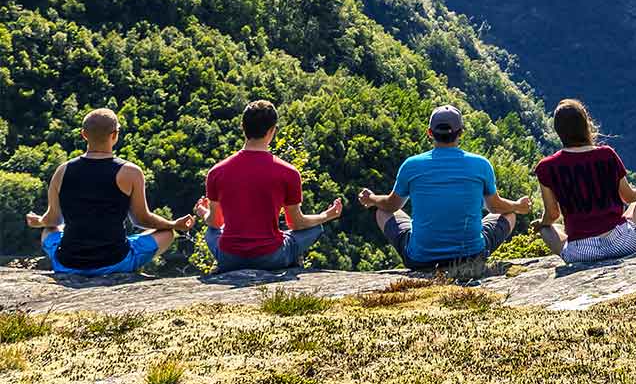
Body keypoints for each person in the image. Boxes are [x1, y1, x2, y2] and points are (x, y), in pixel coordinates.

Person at [25, 108, 195, 275]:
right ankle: (127, 266)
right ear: (115, 135)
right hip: (116, 261)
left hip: (67, 263)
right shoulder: (130, 172)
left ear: (84, 135)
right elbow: (141, 219)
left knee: (49, 230)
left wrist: (38, 221)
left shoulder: (62, 171)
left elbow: (53, 219)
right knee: (167, 233)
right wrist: (173, 224)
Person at [358, 105, 531, 269]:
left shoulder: (411, 165)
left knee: (382, 211)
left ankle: (425, 245)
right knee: (508, 213)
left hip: (420, 259)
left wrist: (371, 199)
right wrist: (518, 206)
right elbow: (495, 206)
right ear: (461, 133)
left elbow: (391, 205)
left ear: (430, 133)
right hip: (471, 256)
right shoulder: (481, 164)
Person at [193, 100, 342, 272]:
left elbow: (216, 221)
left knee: (212, 232)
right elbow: (296, 223)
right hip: (271, 257)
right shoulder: (288, 172)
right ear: (272, 131)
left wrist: (202, 211)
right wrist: (326, 215)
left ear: (243, 127)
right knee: (315, 227)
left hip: (230, 258)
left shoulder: (216, 171)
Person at [535, 99, 636, 264]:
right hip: (620, 243)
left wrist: (541, 224)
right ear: (586, 125)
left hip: (581, 252)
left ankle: (633, 238)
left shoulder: (546, 167)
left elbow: (552, 214)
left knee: (547, 229)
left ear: (558, 131)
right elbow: (628, 197)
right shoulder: (606, 154)